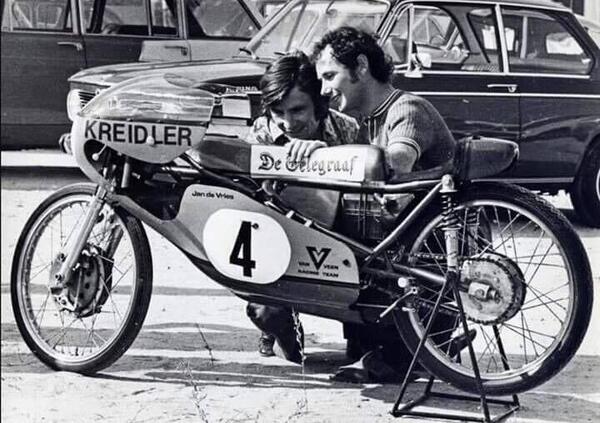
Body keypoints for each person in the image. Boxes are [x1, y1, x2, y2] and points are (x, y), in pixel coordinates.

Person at [307, 26, 467, 383]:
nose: (324, 90)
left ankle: (413, 350)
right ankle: (388, 348)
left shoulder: (407, 109)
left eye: (330, 76)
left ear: (361, 67)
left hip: (436, 258)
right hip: (411, 250)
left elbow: (396, 162)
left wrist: (329, 157)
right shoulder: (369, 121)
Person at [245, 50, 359, 362]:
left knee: (362, 350)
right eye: (278, 112)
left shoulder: (348, 129)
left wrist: (324, 156)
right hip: (279, 238)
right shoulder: (261, 133)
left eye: (298, 110)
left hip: (337, 238)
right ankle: (279, 330)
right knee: (267, 316)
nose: (287, 122)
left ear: (319, 104)